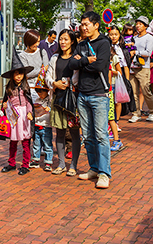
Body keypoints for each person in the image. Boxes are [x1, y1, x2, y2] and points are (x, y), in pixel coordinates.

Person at [69, 11, 112, 188]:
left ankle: (104, 173)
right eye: (82, 24)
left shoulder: (103, 43)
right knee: (88, 135)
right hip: (82, 94)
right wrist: (87, 60)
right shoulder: (82, 44)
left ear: (96, 25)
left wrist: (82, 62)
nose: (83, 27)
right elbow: (72, 63)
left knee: (101, 135)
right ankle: (94, 168)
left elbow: (99, 66)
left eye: (87, 24)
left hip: (99, 95)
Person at [46, 29, 81, 176]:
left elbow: (78, 77)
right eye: (61, 39)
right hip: (58, 99)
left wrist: (69, 83)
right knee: (59, 132)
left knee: (74, 133)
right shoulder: (55, 57)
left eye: (66, 39)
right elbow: (48, 77)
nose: (63, 42)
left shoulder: (77, 57)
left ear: (72, 41)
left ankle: (73, 165)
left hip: (72, 100)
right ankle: (61, 164)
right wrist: (55, 83)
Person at [0, 48, 34, 176]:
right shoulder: (9, 88)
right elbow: (5, 103)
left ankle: (25, 164)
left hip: (24, 116)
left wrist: (30, 112)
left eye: (21, 73)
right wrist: (4, 107)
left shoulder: (25, 87)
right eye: (16, 73)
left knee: (25, 142)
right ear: (12, 75)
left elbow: (29, 102)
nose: (19, 76)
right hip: (13, 117)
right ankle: (11, 163)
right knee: (13, 141)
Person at [128, 16, 153, 123]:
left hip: (144, 68)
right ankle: (136, 113)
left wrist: (136, 52)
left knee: (146, 91)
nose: (137, 26)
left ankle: (152, 112)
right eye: (137, 24)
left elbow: (148, 52)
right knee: (134, 92)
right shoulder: (135, 38)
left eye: (140, 24)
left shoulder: (149, 38)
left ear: (146, 26)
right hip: (133, 67)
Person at [108, 25, 132, 131]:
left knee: (118, 101)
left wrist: (126, 81)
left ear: (119, 35)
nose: (113, 37)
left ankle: (116, 121)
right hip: (108, 80)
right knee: (110, 101)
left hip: (117, 79)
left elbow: (125, 66)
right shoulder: (105, 47)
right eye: (111, 34)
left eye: (116, 34)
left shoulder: (121, 49)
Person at [19, 29, 49, 106]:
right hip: (30, 88)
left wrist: (36, 72)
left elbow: (48, 68)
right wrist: (42, 70)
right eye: (35, 42)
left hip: (43, 88)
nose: (37, 44)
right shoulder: (22, 56)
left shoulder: (42, 52)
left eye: (38, 41)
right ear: (28, 42)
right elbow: (27, 74)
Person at [31, 78, 53, 171]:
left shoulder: (50, 100)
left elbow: (52, 109)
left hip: (46, 126)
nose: (39, 94)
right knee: (36, 144)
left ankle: (48, 162)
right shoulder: (37, 99)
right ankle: (35, 160)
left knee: (47, 144)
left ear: (46, 91)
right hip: (36, 124)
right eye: (38, 92)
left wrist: (49, 109)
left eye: (41, 92)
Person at [108, 48, 123, 151]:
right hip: (101, 93)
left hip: (107, 92)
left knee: (111, 117)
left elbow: (109, 82)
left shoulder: (109, 62)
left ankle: (117, 140)